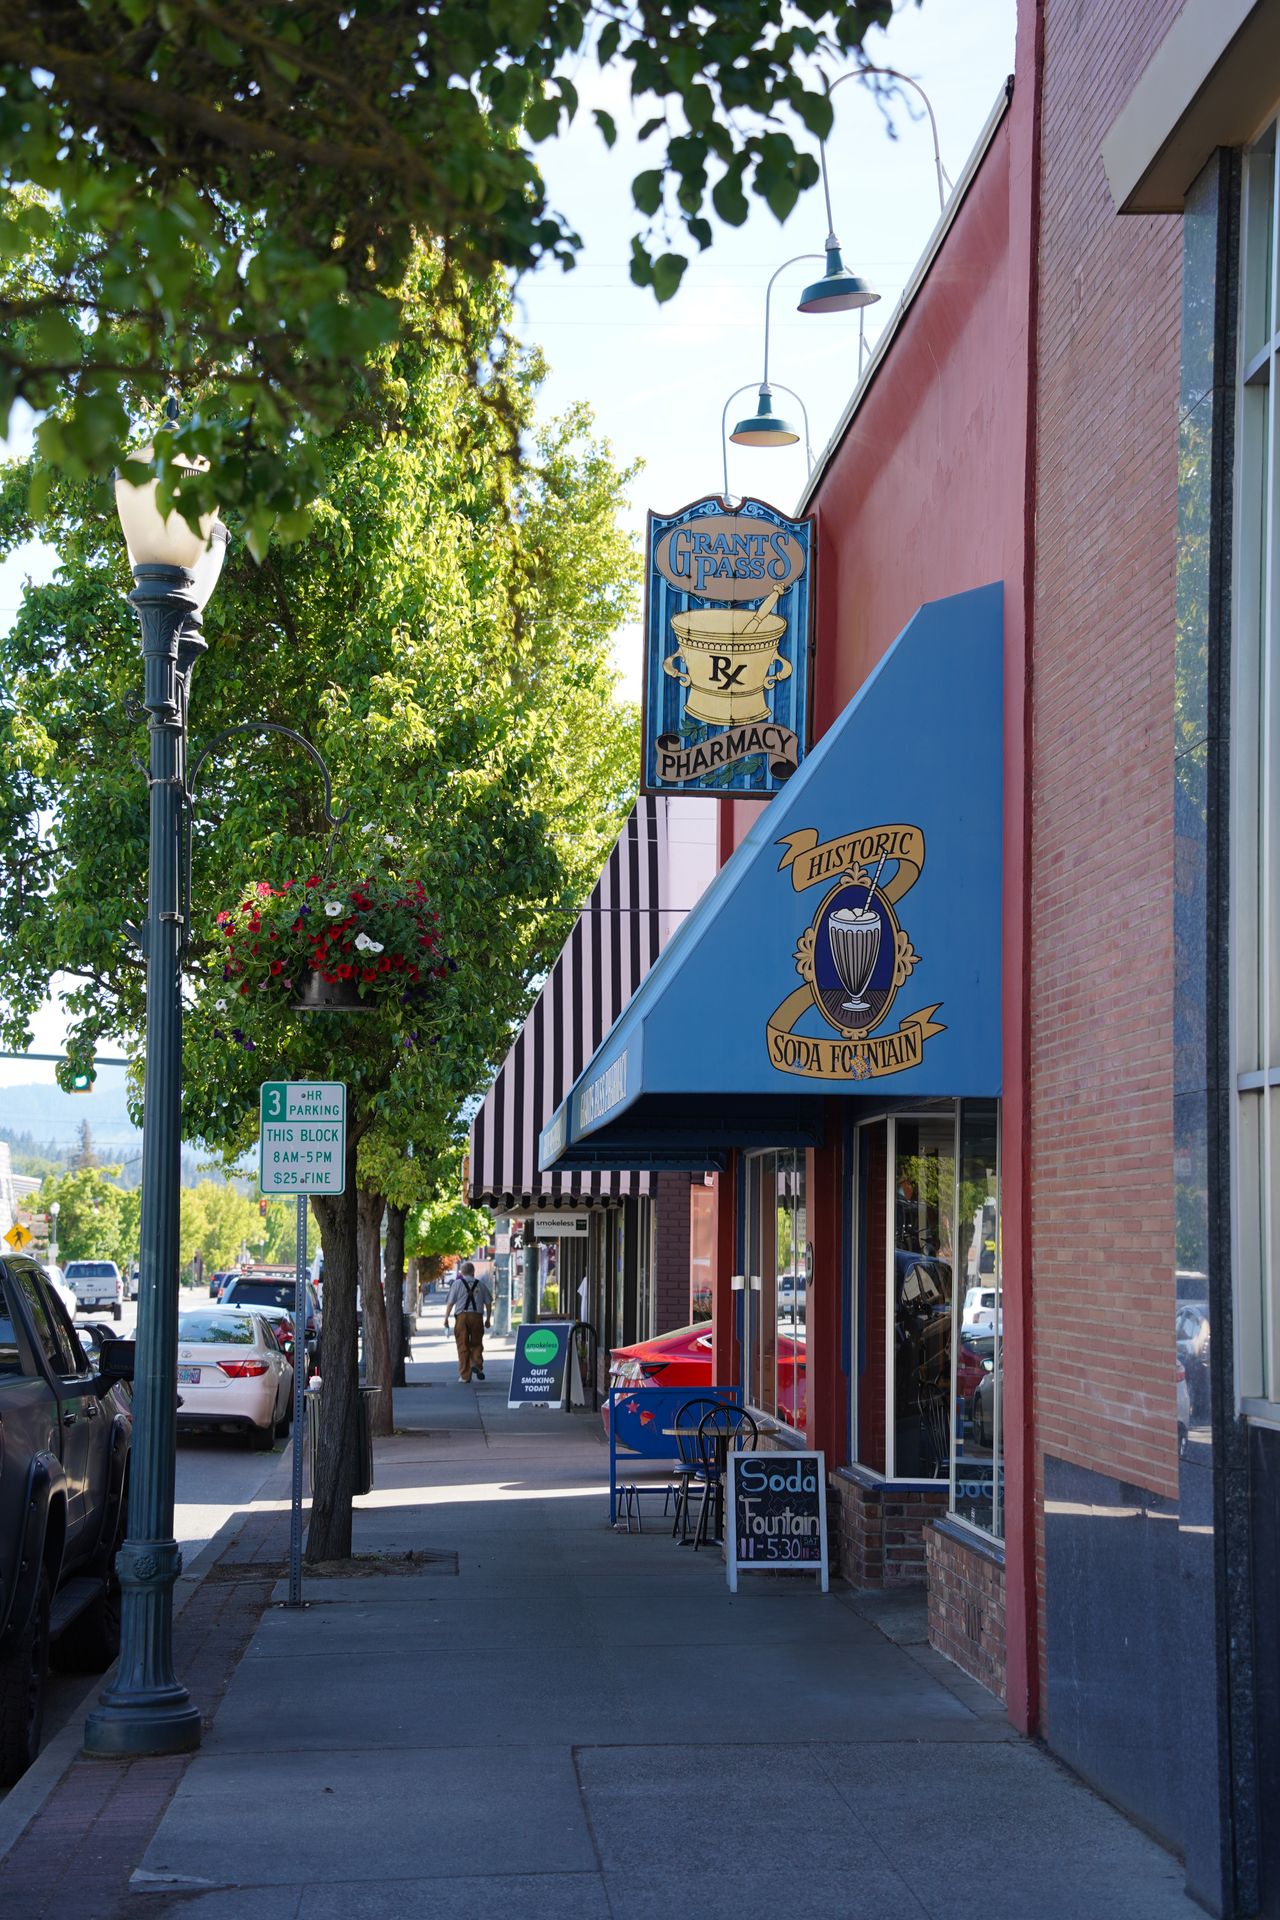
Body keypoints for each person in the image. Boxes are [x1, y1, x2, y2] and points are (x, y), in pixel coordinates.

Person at [443, 1260, 492, 1383]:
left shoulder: (457, 1284)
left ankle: (465, 1376)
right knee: (476, 1343)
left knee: (463, 1346)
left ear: (462, 1272)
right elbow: (488, 1303)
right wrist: (488, 1319)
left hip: (461, 1317)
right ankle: (476, 1364)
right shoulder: (480, 1284)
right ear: (473, 1272)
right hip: (477, 1317)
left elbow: (450, 1303)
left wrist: (446, 1319)